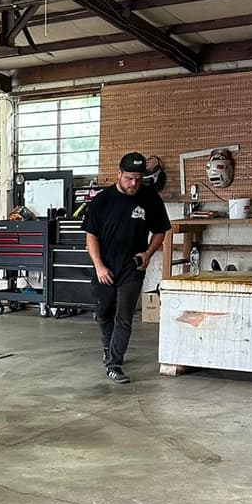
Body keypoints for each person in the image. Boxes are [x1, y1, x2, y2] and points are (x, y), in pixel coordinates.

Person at [83, 152, 171, 385]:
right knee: (103, 313)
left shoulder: (150, 199)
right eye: (129, 178)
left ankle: (114, 364)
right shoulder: (103, 200)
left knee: (124, 316)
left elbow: (161, 230)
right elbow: (90, 236)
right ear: (119, 174)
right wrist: (99, 266)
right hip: (104, 267)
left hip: (132, 267)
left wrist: (149, 253)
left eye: (138, 179)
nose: (134, 184)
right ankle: (108, 347)